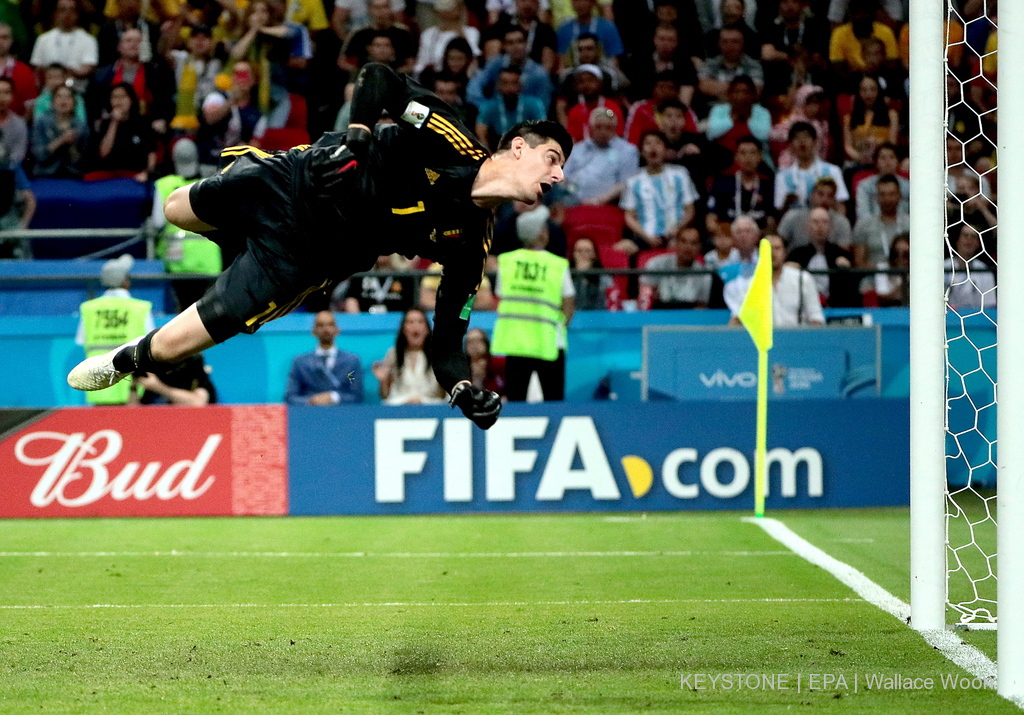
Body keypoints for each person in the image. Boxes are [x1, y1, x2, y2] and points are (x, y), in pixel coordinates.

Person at [68, 62, 572, 431]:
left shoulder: (470, 247)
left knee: (183, 342)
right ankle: (237, 223)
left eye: (562, 168)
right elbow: (378, 78)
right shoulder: (451, 138)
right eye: (552, 158)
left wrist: (462, 389)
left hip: (308, 257)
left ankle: (124, 363)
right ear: (519, 147)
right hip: (294, 183)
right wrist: (357, 134)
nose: (559, 174)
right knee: (177, 208)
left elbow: (447, 346)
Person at [492, 205, 574, 401]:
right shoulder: (557, 265)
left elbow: (501, 295)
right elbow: (569, 304)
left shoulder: (506, 262)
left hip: (516, 343)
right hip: (549, 343)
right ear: (542, 234)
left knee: (516, 401)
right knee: (554, 403)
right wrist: (559, 325)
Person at [74, 254, 155, 405]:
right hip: (132, 385)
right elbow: (152, 344)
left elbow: (81, 340)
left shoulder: (89, 308)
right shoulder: (141, 308)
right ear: (126, 281)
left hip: (98, 382)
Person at [152, 138, 223, 308]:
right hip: (208, 262)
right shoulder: (211, 183)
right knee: (206, 316)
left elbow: (157, 223)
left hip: (178, 263)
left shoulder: (164, 185)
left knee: (182, 315)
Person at [618, 129, 698, 255]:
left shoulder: (680, 174)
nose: (653, 148)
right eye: (648, 144)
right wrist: (646, 236)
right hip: (645, 236)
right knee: (620, 249)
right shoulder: (633, 181)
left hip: (676, 234)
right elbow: (629, 216)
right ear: (641, 151)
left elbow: (690, 210)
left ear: (666, 150)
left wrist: (677, 228)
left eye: (657, 143)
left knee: (681, 247)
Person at [727, 233, 823, 326]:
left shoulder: (802, 279)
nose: (772, 253)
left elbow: (816, 319)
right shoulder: (750, 285)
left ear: (784, 252)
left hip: (798, 339)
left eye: (777, 248)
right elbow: (737, 319)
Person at [562, 106, 637, 205]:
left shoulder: (627, 151)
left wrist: (598, 201)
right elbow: (564, 178)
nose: (603, 131)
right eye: (598, 127)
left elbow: (625, 184)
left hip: (609, 205)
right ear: (591, 128)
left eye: (608, 127)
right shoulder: (577, 149)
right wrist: (575, 197)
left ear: (615, 128)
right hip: (573, 202)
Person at [285, 310, 364, 405]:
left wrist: (333, 397)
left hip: (343, 415)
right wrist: (312, 401)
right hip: (309, 414)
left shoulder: (351, 362)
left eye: (330, 325)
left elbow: (356, 395)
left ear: (337, 330)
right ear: (313, 331)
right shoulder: (301, 363)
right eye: (320, 325)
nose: (326, 329)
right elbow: (290, 397)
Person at [786, 207, 859, 307]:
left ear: (831, 227)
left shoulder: (842, 254)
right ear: (808, 226)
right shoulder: (796, 255)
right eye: (815, 222)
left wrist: (846, 269)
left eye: (824, 222)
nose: (820, 226)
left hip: (835, 308)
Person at [372, 307, 447, 404]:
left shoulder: (439, 355)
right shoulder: (393, 354)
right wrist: (383, 380)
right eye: (410, 322)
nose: (415, 327)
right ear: (403, 329)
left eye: (420, 322)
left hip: (431, 406)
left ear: (427, 329)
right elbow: (385, 396)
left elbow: (444, 395)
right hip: (401, 407)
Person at [774, 121, 848, 212]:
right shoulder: (782, 176)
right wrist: (787, 202)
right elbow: (779, 211)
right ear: (790, 146)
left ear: (815, 142)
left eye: (806, 137)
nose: (802, 142)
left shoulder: (833, 171)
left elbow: (841, 205)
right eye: (797, 138)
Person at [30, 0, 98, 94]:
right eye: (63, 10)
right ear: (55, 13)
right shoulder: (43, 39)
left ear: (77, 14)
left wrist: (67, 73)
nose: (67, 14)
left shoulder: (88, 39)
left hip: (77, 91)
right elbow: (37, 68)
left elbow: (88, 67)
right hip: (48, 92)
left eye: (71, 10)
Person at [638, 226, 713, 309]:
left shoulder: (704, 274)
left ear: (699, 247)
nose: (688, 247)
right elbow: (645, 297)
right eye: (683, 241)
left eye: (693, 243)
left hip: (690, 317)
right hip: (659, 314)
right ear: (676, 244)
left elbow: (701, 307)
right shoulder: (656, 264)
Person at [776, 176, 851, 250]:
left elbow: (843, 251)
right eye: (820, 194)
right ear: (812, 195)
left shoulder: (842, 222)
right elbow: (779, 242)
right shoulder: (792, 216)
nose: (825, 199)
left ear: (834, 200)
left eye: (830, 196)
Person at [850, 174, 908, 267]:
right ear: (876, 197)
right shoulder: (863, 225)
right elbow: (859, 263)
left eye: (891, 194)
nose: (887, 199)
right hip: (874, 278)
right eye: (882, 194)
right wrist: (881, 268)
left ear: (899, 196)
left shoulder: (911, 225)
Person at [132, 354, 218, 405]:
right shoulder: (152, 371)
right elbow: (131, 413)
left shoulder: (192, 363)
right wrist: (134, 386)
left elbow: (199, 402)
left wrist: (159, 388)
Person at [569, 236, 614, 309]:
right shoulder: (565, 275)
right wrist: (579, 275)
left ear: (594, 254)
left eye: (587, 251)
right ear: (573, 254)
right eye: (579, 251)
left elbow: (607, 301)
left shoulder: (604, 275)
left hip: (597, 315)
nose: (583, 254)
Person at [465, 326, 505, 397]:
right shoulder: (461, 367)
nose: (474, 345)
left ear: (486, 343)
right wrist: (477, 378)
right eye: (470, 341)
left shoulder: (499, 363)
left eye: (478, 340)